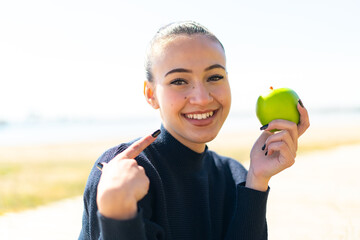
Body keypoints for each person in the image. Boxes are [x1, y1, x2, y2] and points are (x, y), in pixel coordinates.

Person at [78, 21, 310, 240]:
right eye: (179, 81)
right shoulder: (122, 172)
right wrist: (117, 213)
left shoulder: (235, 176)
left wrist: (258, 180)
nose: (201, 98)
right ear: (151, 94)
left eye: (215, 77)